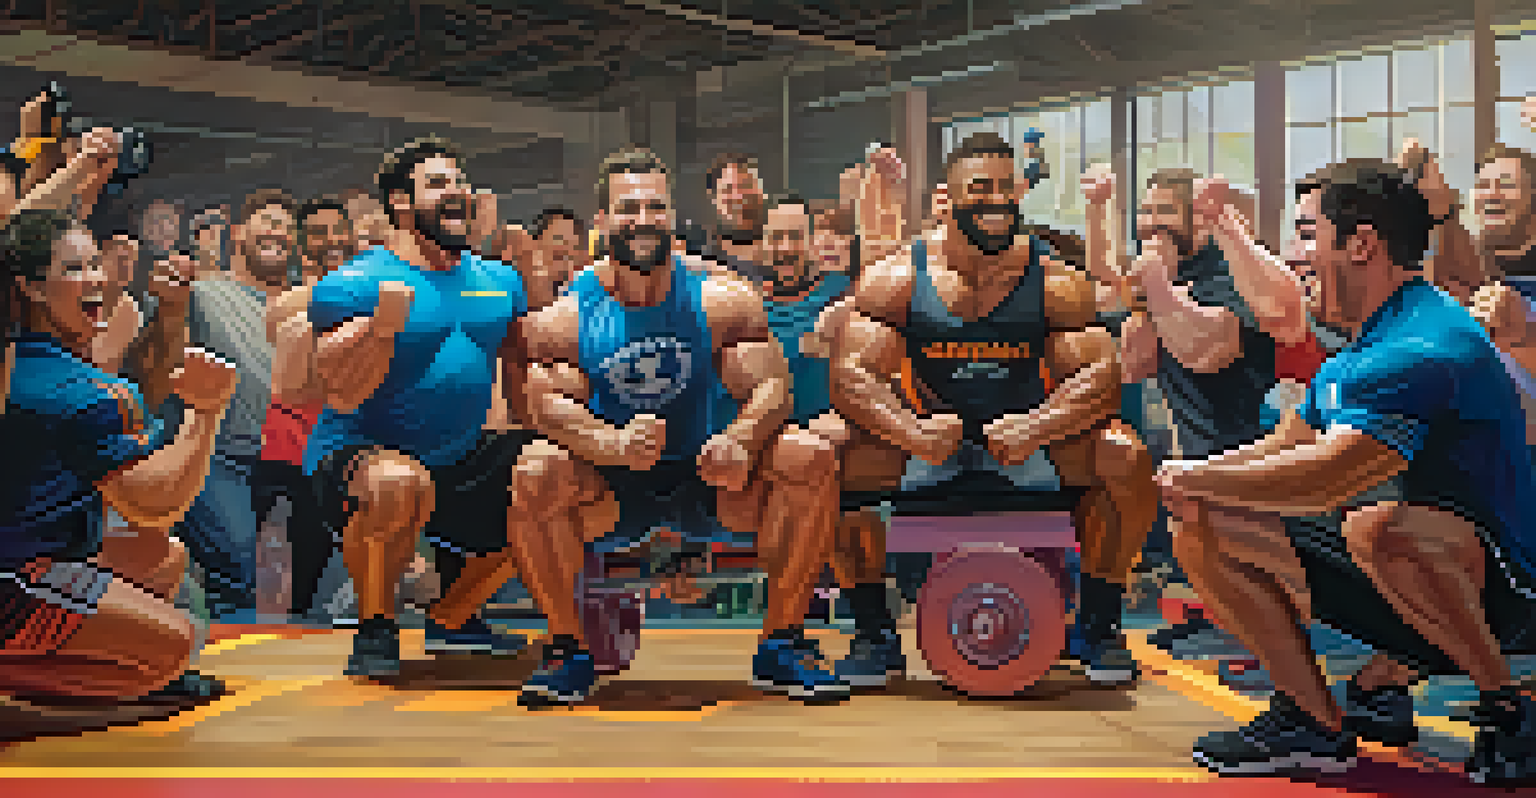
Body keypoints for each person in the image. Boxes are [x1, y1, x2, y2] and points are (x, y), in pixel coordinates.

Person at [1158, 159, 1536, 785]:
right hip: (1429, 576)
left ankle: (1509, 710)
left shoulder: (1422, 344)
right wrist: (1190, 477)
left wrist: (1195, 479)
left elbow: (1328, 478)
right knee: (1206, 520)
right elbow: (1289, 443)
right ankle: (1311, 719)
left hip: (1509, 597)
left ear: (1361, 244)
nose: (1295, 254)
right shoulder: (1362, 343)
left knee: (1378, 528)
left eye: (1309, 234)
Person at [489, 145, 844, 706]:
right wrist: (611, 443)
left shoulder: (719, 299)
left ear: (672, 215)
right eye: (628, 208)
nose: (644, 220)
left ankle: (783, 642)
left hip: (707, 479)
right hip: (613, 489)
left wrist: (741, 440)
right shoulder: (569, 315)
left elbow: (774, 386)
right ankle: (566, 649)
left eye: (655, 207)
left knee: (809, 455)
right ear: (603, 220)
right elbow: (542, 404)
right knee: (534, 470)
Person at [821, 132, 1159, 687]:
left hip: (1026, 445)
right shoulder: (899, 277)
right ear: (949, 195)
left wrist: (1036, 427)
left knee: (1124, 456)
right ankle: (873, 636)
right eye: (980, 188)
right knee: (827, 454)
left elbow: (1102, 377)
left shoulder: (1054, 279)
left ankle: (1099, 629)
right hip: (929, 445)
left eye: (1006, 187)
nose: (996, 200)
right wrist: (913, 433)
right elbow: (849, 377)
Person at [304, 137, 533, 675]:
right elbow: (340, 391)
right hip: (359, 459)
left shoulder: (501, 281)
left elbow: (522, 375)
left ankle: (453, 618)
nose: (456, 191)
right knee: (399, 482)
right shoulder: (354, 284)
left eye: (460, 181)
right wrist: (380, 330)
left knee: (557, 477)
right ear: (401, 203)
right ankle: (375, 629)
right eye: (437, 183)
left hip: (459, 454)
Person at [0, 209, 235, 702]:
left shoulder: (35, 367)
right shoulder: (79, 390)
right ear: (32, 288)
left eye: (95, 264)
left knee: (160, 557)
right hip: (14, 577)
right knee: (173, 648)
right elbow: (156, 503)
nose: (97, 278)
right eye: (75, 268)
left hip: (35, 557)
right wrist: (206, 410)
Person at [259, 195, 359, 621]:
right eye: (319, 233)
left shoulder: (367, 290)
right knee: (295, 589)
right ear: (303, 248)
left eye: (338, 230)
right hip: (291, 450)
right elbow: (277, 318)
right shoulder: (291, 301)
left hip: (352, 444)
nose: (332, 240)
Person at [703, 152, 769, 282]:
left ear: (760, 191)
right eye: (728, 189)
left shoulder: (784, 244)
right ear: (714, 198)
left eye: (746, 186)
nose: (738, 196)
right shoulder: (701, 256)